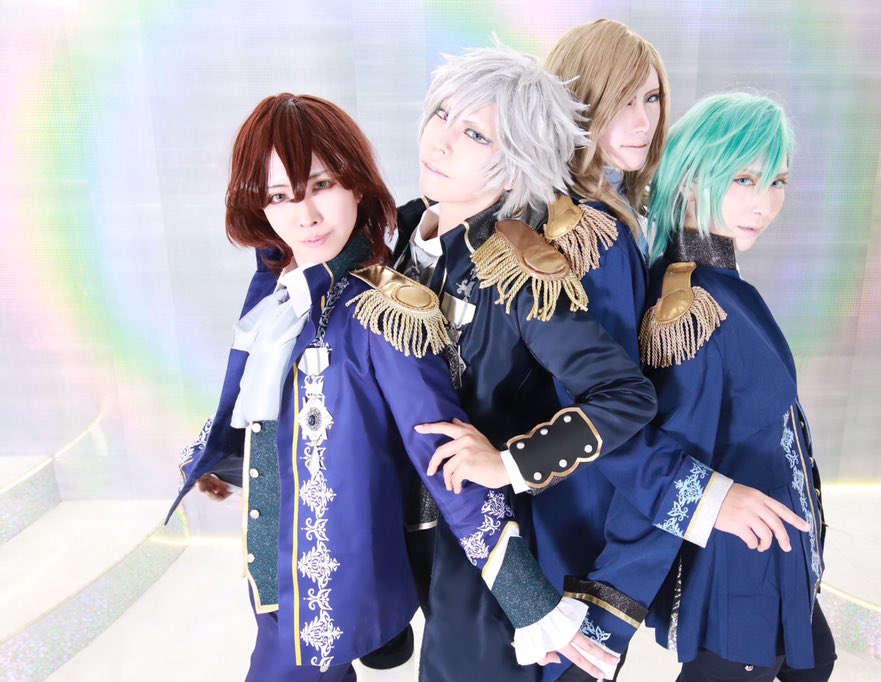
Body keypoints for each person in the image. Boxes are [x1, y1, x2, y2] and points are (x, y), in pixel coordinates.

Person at [166, 93, 615, 681]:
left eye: (321, 185)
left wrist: (531, 605)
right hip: (268, 570)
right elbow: (268, 401)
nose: (306, 217)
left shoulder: (385, 313)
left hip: (325, 583)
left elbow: (445, 460)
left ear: (355, 183)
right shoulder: (278, 283)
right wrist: (223, 456)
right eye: (279, 197)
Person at [388, 45, 659, 681]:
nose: (441, 140)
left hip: (485, 553)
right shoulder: (394, 232)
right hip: (400, 526)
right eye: (443, 114)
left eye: (476, 134)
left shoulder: (520, 272)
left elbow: (626, 396)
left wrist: (509, 463)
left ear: (515, 169)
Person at [586, 92, 836, 681]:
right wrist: (607, 611)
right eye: (744, 179)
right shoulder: (691, 308)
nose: (764, 203)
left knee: (816, 663)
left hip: (779, 556)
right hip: (739, 569)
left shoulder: (719, 284)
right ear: (692, 175)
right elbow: (662, 452)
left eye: (777, 182)